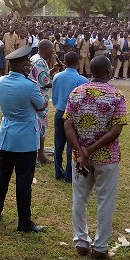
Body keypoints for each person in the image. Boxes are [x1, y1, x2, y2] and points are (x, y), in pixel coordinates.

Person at [64, 56, 127, 260]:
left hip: (79, 157)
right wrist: (90, 150)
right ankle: (100, 247)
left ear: (90, 71)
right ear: (108, 71)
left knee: (79, 199)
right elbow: (116, 130)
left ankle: (81, 242)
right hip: (107, 158)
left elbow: (67, 125)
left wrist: (81, 151)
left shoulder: (76, 93)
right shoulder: (117, 95)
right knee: (105, 201)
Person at [0, 45, 48, 232]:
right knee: (24, 181)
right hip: (25, 140)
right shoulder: (30, 85)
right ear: (24, 67)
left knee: (2, 177)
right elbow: (41, 105)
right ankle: (24, 222)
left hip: (7, 135)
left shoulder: (0, 82)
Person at [51, 52, 88, 182]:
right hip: (73, 115)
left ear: (64, 62)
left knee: (58, 144)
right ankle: (69, 174)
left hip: (59, 111)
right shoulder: (82, 80)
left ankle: (57, 172)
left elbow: (54, 95)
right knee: (72, 145)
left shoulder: (57, 77)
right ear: (78, 63)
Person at [30, 40, 55, 165]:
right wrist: (60, 81)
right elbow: (44, 82)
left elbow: (42, 77)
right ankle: (40, 156)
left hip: (36, 97)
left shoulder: (36, 58)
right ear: (45, 48)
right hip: (40, 99)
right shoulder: (39, 61)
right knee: (40, 127)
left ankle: (40, 154)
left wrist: (53, 70)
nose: (53, 51)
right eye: (51, 49)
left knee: (38, 126)